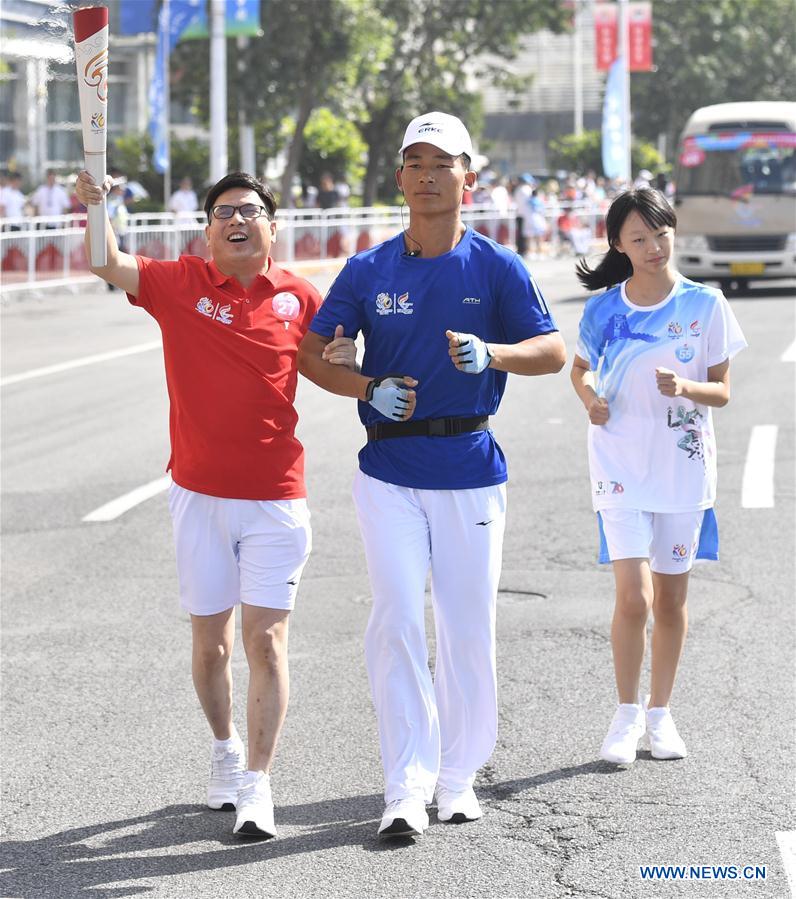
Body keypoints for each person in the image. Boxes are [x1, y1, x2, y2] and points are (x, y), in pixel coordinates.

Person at [298, 112, 566, 838]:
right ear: (399, 179)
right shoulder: (368, 269)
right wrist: (363, 388)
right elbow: (311, 352)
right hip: (388, 468)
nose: (427, 175)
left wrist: (495, 354)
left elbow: (553, 350)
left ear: (468, 177)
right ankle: (406, 783)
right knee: (395, 619)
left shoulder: (496, 265)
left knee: (467, 626)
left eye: (442, 163)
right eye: (415, 162)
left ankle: (458, 773)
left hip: (471, 468)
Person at [74, 169, 356, 839]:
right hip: (199, 495)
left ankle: (258, 784)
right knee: (211, 646)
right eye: (226, 211)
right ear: (207, 229)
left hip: (277, 497)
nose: (239, 219)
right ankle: (226, 747)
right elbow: (102, 259)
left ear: (272, 226)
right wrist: (96, 204)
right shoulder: (180, 284)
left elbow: (333, 359)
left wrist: (348, 355)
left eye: (251, 211)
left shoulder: (298, 296)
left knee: (267, 639)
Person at [570, 188, 747, 766]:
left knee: (670, 599)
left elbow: (721, 390)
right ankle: (624, 716)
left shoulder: (705, 304)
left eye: (660, 233)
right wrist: (590, 399)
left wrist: (687, 388)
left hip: (681, 468)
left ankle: (660, 714)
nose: (652, 246)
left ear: (673, 231)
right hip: (619, 463)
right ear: (618, 244)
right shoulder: (603, 309)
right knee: (633, 595)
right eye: (638, 238)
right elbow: (580, 371)